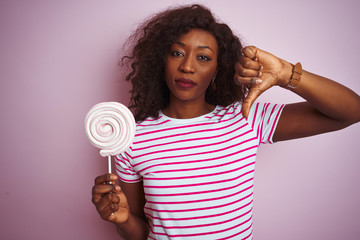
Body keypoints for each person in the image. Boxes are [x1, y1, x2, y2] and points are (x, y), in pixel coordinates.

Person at [91, 4, 360, 240]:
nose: (187, 66)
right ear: (160, 61)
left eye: (203, 57)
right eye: (176, 53)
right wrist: (123, 220)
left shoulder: (246, 117)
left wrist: (285, 73)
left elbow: (351, 111)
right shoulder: (131, 137)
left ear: (218, 69)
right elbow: (139, 232)